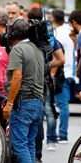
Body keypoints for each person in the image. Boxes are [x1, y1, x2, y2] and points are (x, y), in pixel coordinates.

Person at [2, 19, 44, 163]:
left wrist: (9, 103)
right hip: (37, 102)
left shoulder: (18, 49)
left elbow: (17, 77)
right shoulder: (38, 49)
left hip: (23, 102)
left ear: (13, 34)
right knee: (29, 144)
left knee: (19, 143)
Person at [27, 8, 65, 154]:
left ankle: (30, 151)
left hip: (29, 79)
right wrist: (47, 66)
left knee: (29, 115)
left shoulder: (27, 34)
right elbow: (61, 59)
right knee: (44, 112)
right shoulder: (49, 36)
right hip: (44, 79)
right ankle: (40, 151)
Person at [52, 9, 75, 144]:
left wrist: (52, 73)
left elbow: (56, 55)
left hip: (61, 73)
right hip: (69, 72)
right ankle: (62, 133)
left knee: (62, 104)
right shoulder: (68, 31)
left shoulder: (58, 34)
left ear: (54, 19)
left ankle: (63, 134)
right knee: (63, 104)